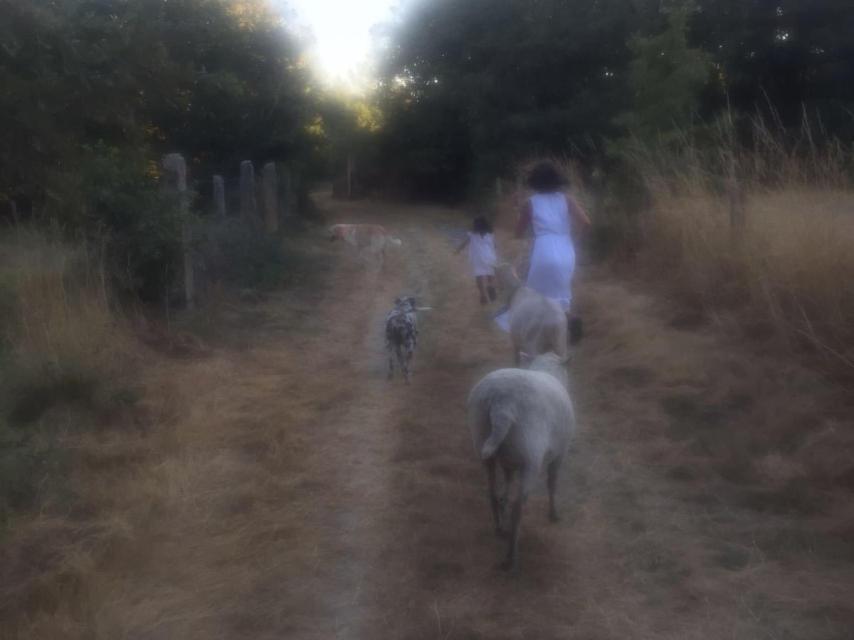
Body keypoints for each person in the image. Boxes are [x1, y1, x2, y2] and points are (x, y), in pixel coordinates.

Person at [514, 161, 591, 343]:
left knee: (537, 297)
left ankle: (537, 339)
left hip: (543, 249)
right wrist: (572, 241)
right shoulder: (567, 199)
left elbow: (517, 233)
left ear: (534, 181)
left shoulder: (531, 203)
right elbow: (586, 223)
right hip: (565, 249)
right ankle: (566, 327)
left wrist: (520, 212)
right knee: (561, 295)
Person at [456, 215, 498, 305]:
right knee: (490, 275)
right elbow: (494, 246)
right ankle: (491, 287)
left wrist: (458, 250)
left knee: (479, 276)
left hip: (478, 258)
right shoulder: (490, 235)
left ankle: (483, 295)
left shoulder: (472, 235)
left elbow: (464, 243)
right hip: (489, 257)